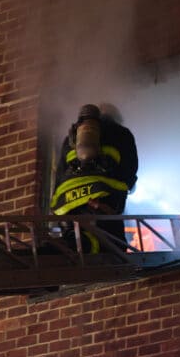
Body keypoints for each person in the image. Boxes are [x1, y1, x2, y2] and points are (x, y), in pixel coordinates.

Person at [49, 103, 138, 253]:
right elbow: (129, 170)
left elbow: (60, 175)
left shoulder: (71, 137)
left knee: (76, 238)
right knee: (115, 246)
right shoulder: (122, 133)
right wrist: (124, 191)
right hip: (101, 196)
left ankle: (66, 245)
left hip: (68, 201)